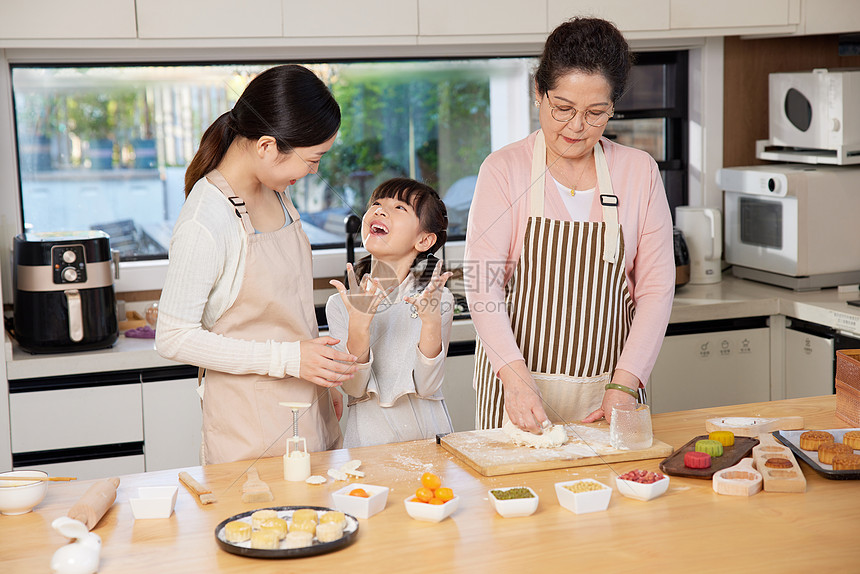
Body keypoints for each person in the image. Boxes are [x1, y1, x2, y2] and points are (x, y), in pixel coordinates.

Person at [464, 17, 675, 433]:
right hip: (518, 391)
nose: (577, 127)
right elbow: (481, 281)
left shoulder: (639, 172)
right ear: (537, 93)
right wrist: (514, 377)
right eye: (562, 108)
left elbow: (655, 288)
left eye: (596, 112)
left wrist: (627, 381)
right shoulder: (504, 170)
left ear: (613, 106)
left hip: (609, 392)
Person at [156, 64, 359, 465]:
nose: (315, 170)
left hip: (308, 405)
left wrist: (324, 377)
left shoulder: (276, 190)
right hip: (249, 427)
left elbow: (288, 309)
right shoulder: (207, 218)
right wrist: (290, 359)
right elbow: (173, 336)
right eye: (313, 158)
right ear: (267, 146)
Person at [325, 178, 455, 447]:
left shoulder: (437, 300)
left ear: (424, 240)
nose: (380, 210)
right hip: (367, 440)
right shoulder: (341, 304)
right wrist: (359, 327)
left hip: (429, 439)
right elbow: (353, 388)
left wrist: (430, 323)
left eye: (400, 208)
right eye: (376, 203)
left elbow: (428, 386)